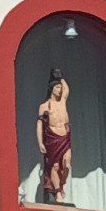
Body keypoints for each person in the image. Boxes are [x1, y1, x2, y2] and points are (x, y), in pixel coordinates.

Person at [36, 69, 73, 201]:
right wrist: (40, 142)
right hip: (53, 138)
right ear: (52, 89)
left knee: (66, 164)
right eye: (57, 87)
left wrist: (60, 77)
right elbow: (40, 125)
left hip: (64, 136)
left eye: (60, 88)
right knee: (55, 166)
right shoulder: (44, 106)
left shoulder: (62, 102)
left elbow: (67, 90)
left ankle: (62, 184)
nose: (60, 90)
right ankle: (57, 192)